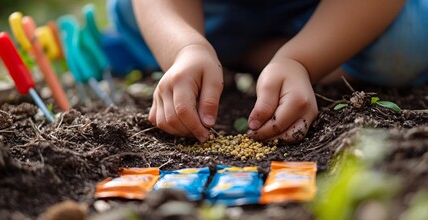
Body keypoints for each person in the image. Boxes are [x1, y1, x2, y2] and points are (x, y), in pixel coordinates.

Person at [110, 0, 428, 143]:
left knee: (412, 40)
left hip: (331, 13)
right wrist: (184, 48)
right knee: (134, 14)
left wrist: (303, 60)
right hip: (215, 11)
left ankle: (249, 54)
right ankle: (236, 53)